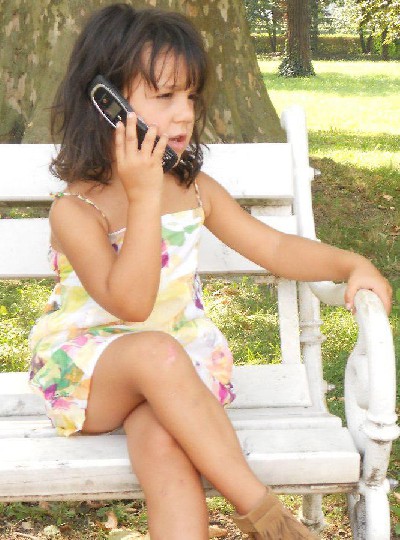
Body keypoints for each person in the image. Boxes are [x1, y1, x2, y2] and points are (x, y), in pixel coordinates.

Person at [28, 4, 392, 540]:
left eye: (191, 97)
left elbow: (273, 246)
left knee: (163, 449)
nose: (184, 114)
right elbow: (131, 304)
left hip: (177, 374)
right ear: (106, 104)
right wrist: (144, 196)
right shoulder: (76, 211)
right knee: (154, 351)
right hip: (92, 372)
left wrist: (350, 263)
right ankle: (271, 520)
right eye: (164, 96)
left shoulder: (193, 189)